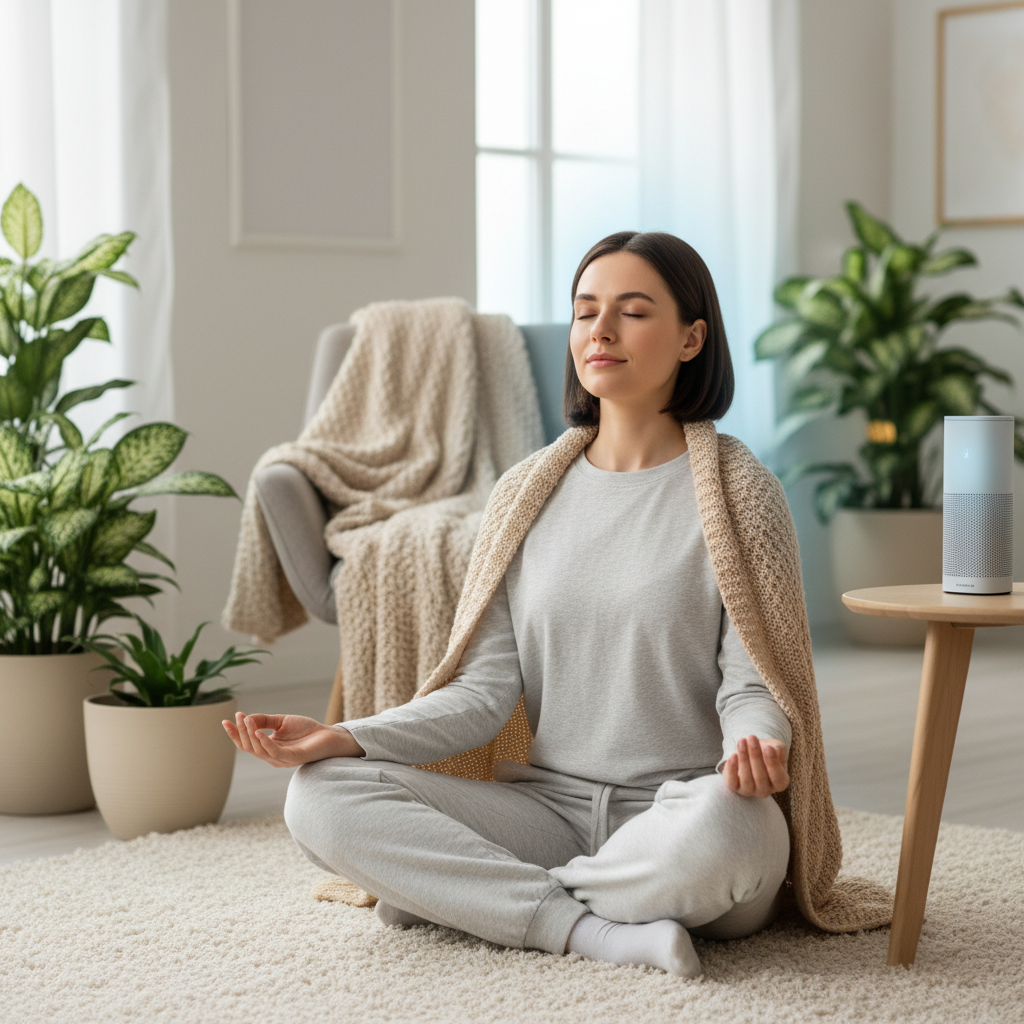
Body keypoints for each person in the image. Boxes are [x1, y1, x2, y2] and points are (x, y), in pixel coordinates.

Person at [223, 231, 795, 979]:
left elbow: (754, 681)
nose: (601, 331)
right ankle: (590, 930)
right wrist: (346, 737)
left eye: (632, 311)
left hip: (679, 813)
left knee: (738, 831)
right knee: (319, 795)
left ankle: (466, 897)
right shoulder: (525, 493)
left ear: (692, 338)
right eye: (586, 311)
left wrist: (759, 747)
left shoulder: (741, 493)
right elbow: (482, 693)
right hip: (545, 814)